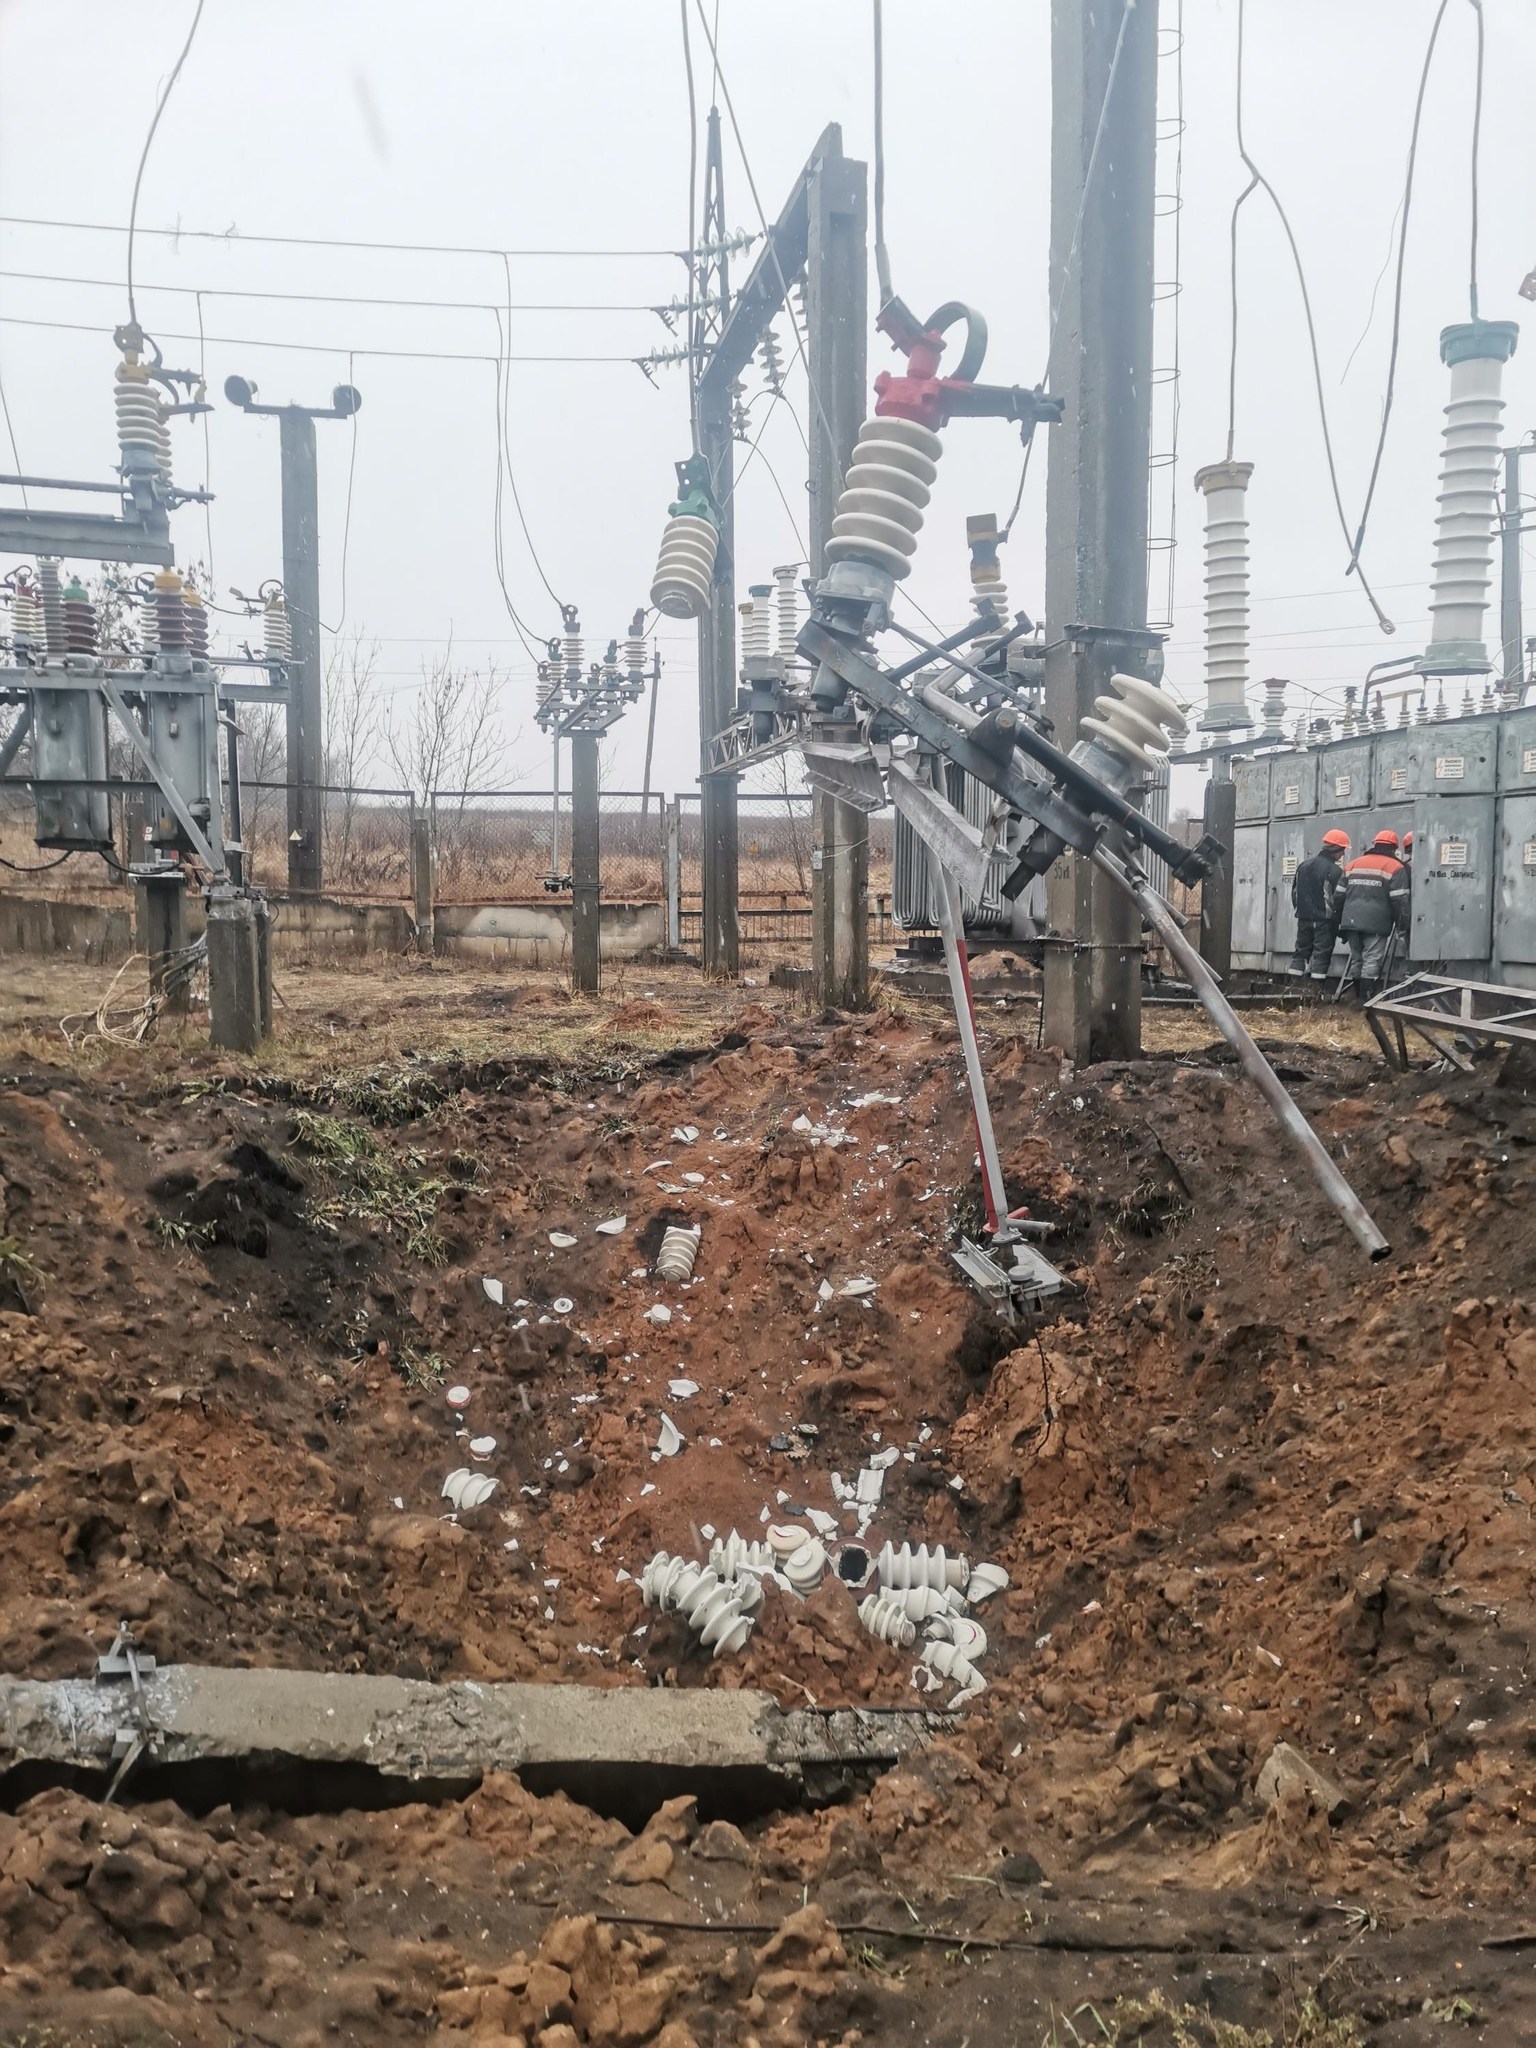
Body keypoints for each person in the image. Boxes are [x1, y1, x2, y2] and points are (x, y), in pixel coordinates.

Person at [1336, 828, 1411, 999]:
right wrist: (1402, 927)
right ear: (1393, 849)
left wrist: (1339, 922)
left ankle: (1357, 997)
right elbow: (1400, 902)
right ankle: (1366, 999)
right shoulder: (1396, 867)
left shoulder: (1353, 864)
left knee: (1357, 960)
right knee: (1371, 960)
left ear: (1374, 844)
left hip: (1351, 922)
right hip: (1376, 924)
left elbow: (1338, 896)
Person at [1287, 828, 1349, 982]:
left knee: (1300, 952)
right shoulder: (1335, 871)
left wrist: (1301, 911)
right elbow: (1339, 899)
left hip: (1304, 918)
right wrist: (1339, 922)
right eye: (1343, 851)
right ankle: (1315, 993)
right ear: (1337, 850)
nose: (1343, 855)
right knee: (1322, 954)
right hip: (1325, 921)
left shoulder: (1303, 866)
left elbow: (1294, 894)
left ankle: (1292, 989)